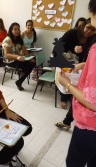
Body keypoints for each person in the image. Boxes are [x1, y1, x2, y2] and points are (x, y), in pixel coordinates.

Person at [58, 1, 96, 165]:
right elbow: (58, 49)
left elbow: (91, 101)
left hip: (90, 127)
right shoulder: (71, 34)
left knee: (75, 162)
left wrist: (67, 85)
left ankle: (67, 119)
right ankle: (67, 119)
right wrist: (83, 64)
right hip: (71, 63)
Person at [53, 18, 96, 109]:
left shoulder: (92, 38)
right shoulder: (72, 33)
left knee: (76, 79)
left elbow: (86, 54)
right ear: (83, 25)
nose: (89, 31)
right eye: (88, 27)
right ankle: (63, 99)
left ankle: (70, 95)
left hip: (77, 62)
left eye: (93, 30)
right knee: (65, 77)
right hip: (61, 58)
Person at [2, 22, 36, 91]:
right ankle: (19, 81)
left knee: (33, 61)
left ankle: (20, 79)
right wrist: (17, 57)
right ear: (11, 30)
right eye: (15, 29)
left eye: (18, 29)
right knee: (28, 66)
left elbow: (24, 50)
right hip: (10, 60)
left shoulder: (19, 38)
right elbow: (6, 54)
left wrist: (29, 58)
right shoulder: (7, 40)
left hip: (19, 58)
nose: (17, 31)